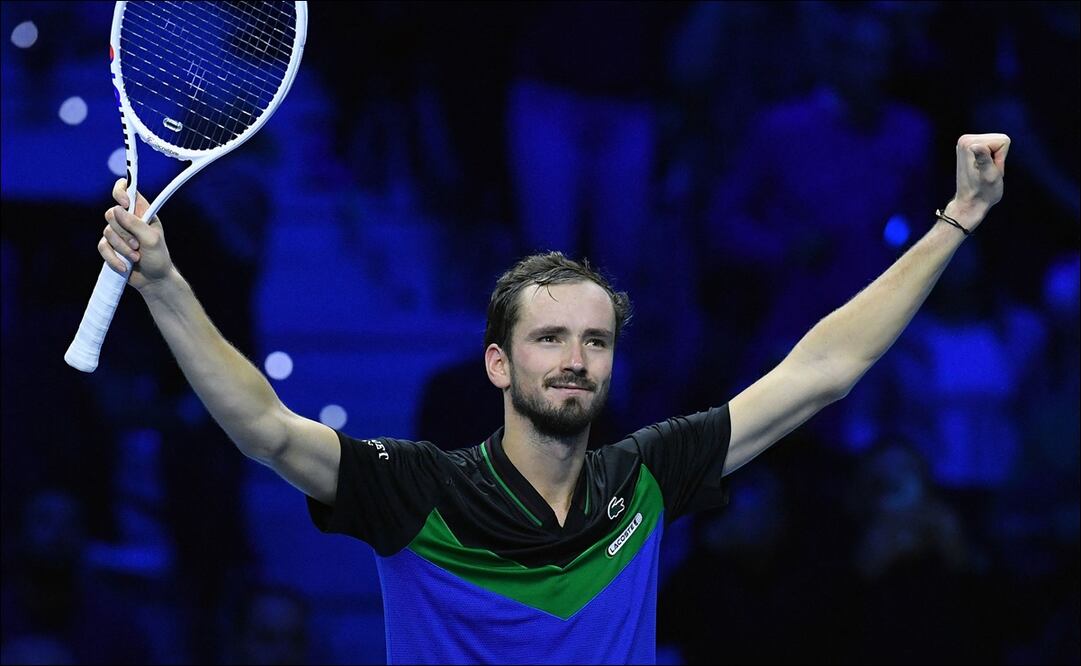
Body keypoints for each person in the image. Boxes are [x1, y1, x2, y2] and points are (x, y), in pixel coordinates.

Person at [94, 134, 1010, 664]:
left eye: (594, 340)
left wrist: (957, 219)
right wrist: (166, 283)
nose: (574, 360)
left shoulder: (645, 477)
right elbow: (262, 426)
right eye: (548, 338)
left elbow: (823, 370)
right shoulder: (416, 489)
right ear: (497, 364)